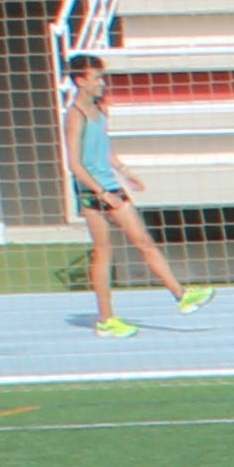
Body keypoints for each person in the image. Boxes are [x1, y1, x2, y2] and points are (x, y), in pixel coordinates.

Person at [57, 56, 206, 337]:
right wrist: (102, 193)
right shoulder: (75, 115)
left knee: (143, 241)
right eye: (96, 77)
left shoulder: (100, 111)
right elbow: (74, 163)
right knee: (103, 252)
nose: (102, 83)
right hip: (93, 191)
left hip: (111, 186)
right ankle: (106, 319)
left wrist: (124, 171)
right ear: (81, 80)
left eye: (102, 77)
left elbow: (103, 148)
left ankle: (181, 295)